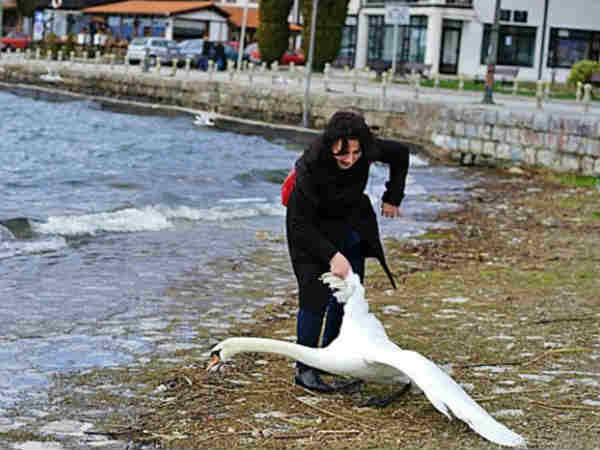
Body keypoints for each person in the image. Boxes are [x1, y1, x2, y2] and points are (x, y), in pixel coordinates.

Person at [286, 110, 410, 392]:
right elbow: (299, 224)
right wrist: (331, 255)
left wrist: (393, 196)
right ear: (330, 144)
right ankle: (305, 369)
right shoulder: (311, 165)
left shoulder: (365, 148)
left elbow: (401, 153)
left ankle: (332, 359)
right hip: (309, 229)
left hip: (350, 223)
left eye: (356, 153)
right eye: (343, 153)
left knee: (348, 295)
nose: (350, 159)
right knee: (314, 295)